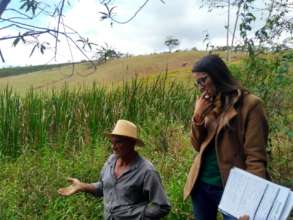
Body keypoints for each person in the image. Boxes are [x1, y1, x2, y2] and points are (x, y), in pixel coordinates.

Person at [183, 54, 270, 220]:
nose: (201, 87)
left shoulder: (250, 105)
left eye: (204, 80)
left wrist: (252, 201)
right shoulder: (208, 103)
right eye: (197, 82)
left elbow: (255, 157)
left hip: (232, 188)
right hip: (201, 185)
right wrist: (198, 116)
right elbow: (196, 145)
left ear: (217, 75)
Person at [58, 119, 171, 220]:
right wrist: (82, 186)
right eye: (112, 142)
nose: (113, 147)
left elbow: (162, 206)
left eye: (118, 142)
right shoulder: (111, 161)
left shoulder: (147, 171)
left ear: (131, 143)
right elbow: (103, 187)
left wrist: (137, 214)